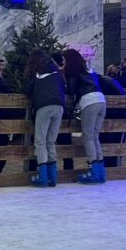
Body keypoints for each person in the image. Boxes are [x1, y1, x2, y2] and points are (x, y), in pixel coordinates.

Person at [62, 48, 107, 184]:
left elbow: (72, 90)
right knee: (95, 135)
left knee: (87, 136)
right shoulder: (89, 69)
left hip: (89, 102)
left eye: (64, 60)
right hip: (101, 100)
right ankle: (100, 172)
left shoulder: (73, 72)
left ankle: (93, 171)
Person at [23, 49, 64, 187]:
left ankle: (43, 176)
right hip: (59, 106)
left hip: (44, 106)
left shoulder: (36, 70)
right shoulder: (55, 70)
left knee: (40, 141)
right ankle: (53, 177)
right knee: (51, 141)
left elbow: (27, 89)